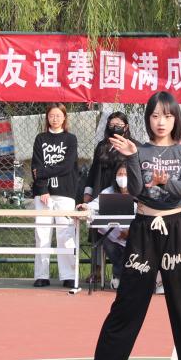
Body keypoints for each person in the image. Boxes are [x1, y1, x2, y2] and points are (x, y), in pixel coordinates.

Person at [86, 91, 181, 360]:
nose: (160, 122)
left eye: (166, 115)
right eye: (154, 116)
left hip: (175, 229)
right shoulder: (138, 150)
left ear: (175, 118)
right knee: (127, 305)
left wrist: (164, 181)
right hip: (143, 229)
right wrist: (131, 157)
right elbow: (137, 190)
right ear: (147, 119)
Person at [31, 103, 80, 288]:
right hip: (43, 194)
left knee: (65, 233)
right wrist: (43, 189)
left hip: (65, 192)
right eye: (51, 115)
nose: (55, 119)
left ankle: (68, 275)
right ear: (47, 117)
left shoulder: (70, 139)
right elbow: (36, 166)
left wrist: (44, 171)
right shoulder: (40, 138)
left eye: (58, 115)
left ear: (64, 117)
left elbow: (67, 166)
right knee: (42, 233)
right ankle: (41, 275)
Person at [80, 165, 132, 289]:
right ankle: (120, 276)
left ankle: (119, 276)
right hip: (112, 236)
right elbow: (95, 204)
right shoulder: (108, 191)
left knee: (132, 247)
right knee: (107, 243)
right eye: (120, 174)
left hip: (133, 235)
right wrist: (86, 206)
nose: (122, 177)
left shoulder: (138, 192)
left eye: (125, 174)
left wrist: (130, 232)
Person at [83, 111, 132, 203]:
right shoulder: (102, 145)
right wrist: (88, 192)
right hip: (100, 190)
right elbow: (93, 170)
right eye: (111, 125)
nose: (114, 127)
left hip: (122, 193)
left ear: (126, 127)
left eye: (118, 125)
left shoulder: (132, 146)